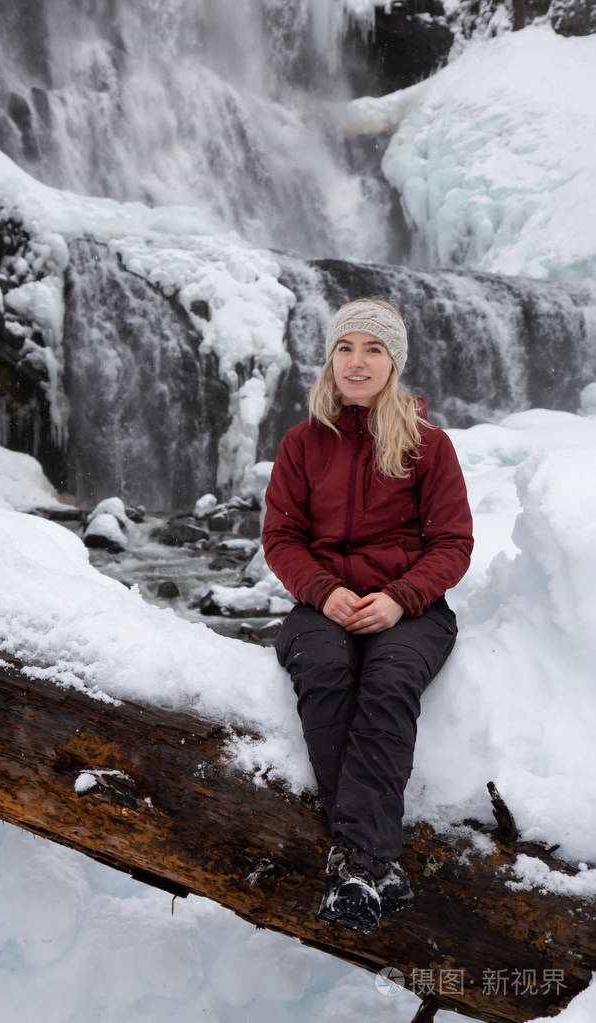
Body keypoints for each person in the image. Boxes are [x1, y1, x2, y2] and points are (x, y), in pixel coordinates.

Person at [262, 297, 473, 935]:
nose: (357, 362)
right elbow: (281, 538)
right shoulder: (301, 443)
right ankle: (371, 864)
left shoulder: (428, 445)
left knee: (388, 684)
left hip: (411, 606)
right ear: (330, 359)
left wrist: (400, 598)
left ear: (393, 363)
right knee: (325, 674)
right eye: (346, 349)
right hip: (321, 602)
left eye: (373, 350)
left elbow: (453, 544)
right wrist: (323, 592)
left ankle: (355, 861)